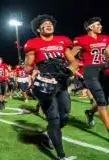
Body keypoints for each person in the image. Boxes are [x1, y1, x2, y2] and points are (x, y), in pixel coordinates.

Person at [24, 14, 78, 160]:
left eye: (50, 23)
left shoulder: (63, 41)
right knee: (53, 118)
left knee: (65, 116)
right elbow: (28, 66)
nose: (49, 25)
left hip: (61, 84)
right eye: (45, 24)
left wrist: (71, 70)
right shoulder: (33, 43)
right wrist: (33, 71)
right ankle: (61, 156)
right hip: (45, 84)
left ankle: (49, 133)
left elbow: (74, 62)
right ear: (38, 29)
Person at [73, 17, 109, 131]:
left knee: (105, 100)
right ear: (91, 28)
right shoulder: (81, 39)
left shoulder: (105, 38)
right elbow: (70, 56)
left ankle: (89, 112)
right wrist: (74, 68)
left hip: (104, 69)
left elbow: (107, 53)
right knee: (102, 101)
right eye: (98, 25)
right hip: (90, 70)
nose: (101, 26)